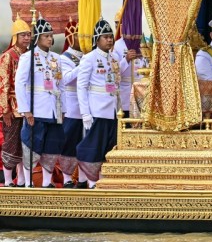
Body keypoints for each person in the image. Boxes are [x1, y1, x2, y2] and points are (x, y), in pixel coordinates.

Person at [76, 18, 129, 189]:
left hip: (113, 109)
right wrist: (85, 113)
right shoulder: (89, 58)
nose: (109, 40)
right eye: (105, 37)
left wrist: (126, 60)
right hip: (97, 109)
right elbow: (81, 87)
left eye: (110, 36)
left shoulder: (113, 58)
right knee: (94, 147)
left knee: (109, 146)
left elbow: (116, 77)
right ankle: (91, 182)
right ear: (97, 39)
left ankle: (103, 179)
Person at [15, 14, 66, 188]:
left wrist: (63, 110)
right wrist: (25, 110)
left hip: (53, 110)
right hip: (36, 109)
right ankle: (29, 182)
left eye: (51, 35)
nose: (50, 39)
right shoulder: (28, 57)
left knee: (52, 145)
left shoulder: (56, 58)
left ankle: (46, 182)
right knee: (33, 144)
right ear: (37, 38)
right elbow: (20, 84)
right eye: (46, 35)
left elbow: (61, 86)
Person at [0, 14, 31, 187]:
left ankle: (20, 179)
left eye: (28, 34)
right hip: (11, 107)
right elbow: (3, 84)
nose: (26, 38)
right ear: (15, 37)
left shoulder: (30, 56)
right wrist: (5, 110)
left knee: (24, 143)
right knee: (11, 143)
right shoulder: (8, 56)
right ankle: (7, 180)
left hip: (26, 107)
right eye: (23, 35)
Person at [58, 19, 87, 188]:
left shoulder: (88, 56)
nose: (82, 39)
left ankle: (83, 178)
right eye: (78, 35)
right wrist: (82, 66)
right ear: (70, 37)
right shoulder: (64, 59)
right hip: (72, 107)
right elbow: (67, 79)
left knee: (84, 143)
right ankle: (67, 177)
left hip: (87, 106)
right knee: (69, 143)